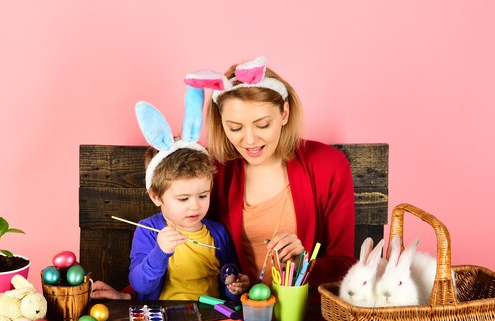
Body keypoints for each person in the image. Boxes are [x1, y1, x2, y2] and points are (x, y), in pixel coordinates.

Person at [185, 56, 356, 303]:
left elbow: (345, 266)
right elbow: (181, 237)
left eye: (263, 124)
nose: (250, 140)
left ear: (284, 113)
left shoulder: (328, 165)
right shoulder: (215, 171)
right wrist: (129, 294)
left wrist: (303, 265)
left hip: (304, 318)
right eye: (235, 128)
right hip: (237, 318)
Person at [91, 86, 249, 301]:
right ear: (156, 196)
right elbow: (141, 285)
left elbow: (229, 275)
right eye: (183, 199)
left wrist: (234, 283)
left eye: (203, 195)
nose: (195, 206)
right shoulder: (149, 231)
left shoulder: (218, 232)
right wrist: (160, 251)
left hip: (213, 318)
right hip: (165, 318)